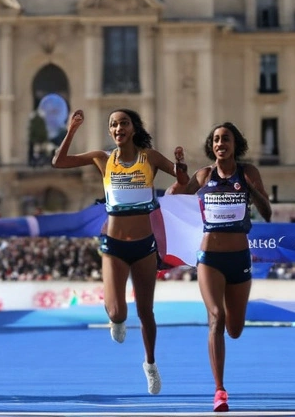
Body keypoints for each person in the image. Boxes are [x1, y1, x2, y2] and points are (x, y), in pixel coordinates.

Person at [52, 108, 189, 396]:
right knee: (117, 311)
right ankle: (116, 320)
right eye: (113, 125)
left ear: (133, 128)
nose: (118, 129)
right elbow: (59, 161)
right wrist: (72, 130)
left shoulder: (149, 157)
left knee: (146, 311)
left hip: (143, 245)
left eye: (123, 123)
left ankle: (150, 365)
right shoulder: (102, 159)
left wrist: (180, 165)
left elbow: (183, 181)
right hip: (113, 245)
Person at [167, 122, 272, 412]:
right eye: (215, 139)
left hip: (239, 259)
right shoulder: (204, 176)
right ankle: (219, 390)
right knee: (216, 317)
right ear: (211, 146)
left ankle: (224, 366)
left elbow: (267, 212)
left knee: (235, 329)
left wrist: (254, 192)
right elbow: (175, 199)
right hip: (209, 258)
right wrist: (178, 176)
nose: (219, 143)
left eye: (225, 138)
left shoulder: (248, 173)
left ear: (235, 144)